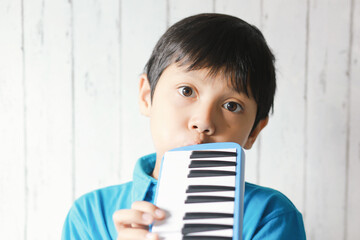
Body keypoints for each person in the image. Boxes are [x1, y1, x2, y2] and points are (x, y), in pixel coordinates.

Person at [62, 13, 306, 240]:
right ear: (147, 96)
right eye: (186, 91)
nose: (203, 121)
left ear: (254, 131)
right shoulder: (89, 216)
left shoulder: (271, 216)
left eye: (232, 106)